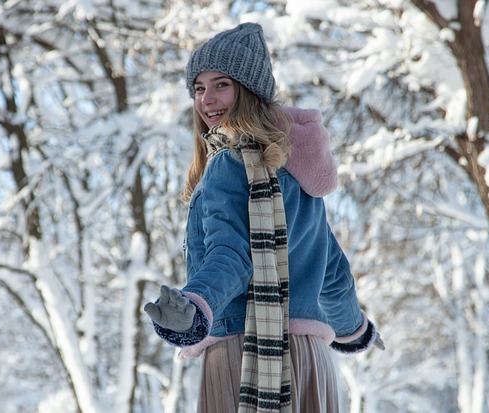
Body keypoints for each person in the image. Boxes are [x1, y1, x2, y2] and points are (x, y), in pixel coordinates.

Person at [144, 22, 384, 413]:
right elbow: (333, 273)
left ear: (249, 89)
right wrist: (355, 329)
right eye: (199, 88)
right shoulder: (292, 169)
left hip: (247, 358)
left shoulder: (226, 164)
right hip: (311, 363)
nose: (207, 99)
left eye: (222, 84)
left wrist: (195, 307)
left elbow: (232, 256)